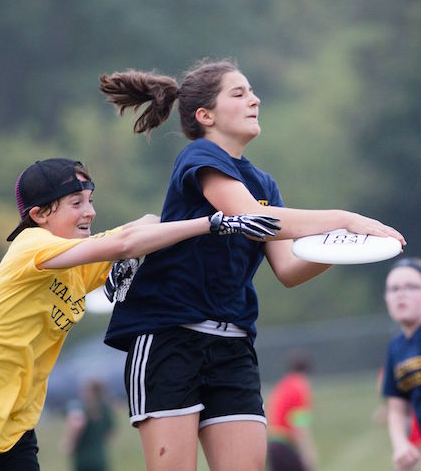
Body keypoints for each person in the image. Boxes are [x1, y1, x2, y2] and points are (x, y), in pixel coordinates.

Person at [99, 58, 406, 471]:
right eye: (239, 93)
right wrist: (343, 217)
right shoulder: (199, 156)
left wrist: (342, 249)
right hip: (170, 340)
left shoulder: (264, 184)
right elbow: (251, 219)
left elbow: (288, 269)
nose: (254, 99)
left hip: (232, 346)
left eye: (253, 91)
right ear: (205, 115)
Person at [0, 157, 278, 471]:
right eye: (76, 203)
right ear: (39, 215)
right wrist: (212, 223)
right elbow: (124, 243)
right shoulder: (31, 245)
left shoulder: (80, 264)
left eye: (90, 201)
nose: (89, 212)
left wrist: (139, 246)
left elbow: (143, 226)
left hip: (12, 431)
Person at [382, 258, 421, 471]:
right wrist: (400, 445)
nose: (401, 294)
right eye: (394, 289)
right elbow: (398, 409)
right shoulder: (396, 348)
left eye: (411, 287)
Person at [266, 352, 318, 471]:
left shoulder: (282, 385)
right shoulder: (300, 387)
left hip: (273, 444)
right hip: (286, 444)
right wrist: (308, 453)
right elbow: (300, 425)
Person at [63, 380, 114, 471]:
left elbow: (76, 427)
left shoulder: (81, 409)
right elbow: (110, 433)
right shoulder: (105, 409)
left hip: (83, 458)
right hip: (100, 458)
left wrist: (70, 444)